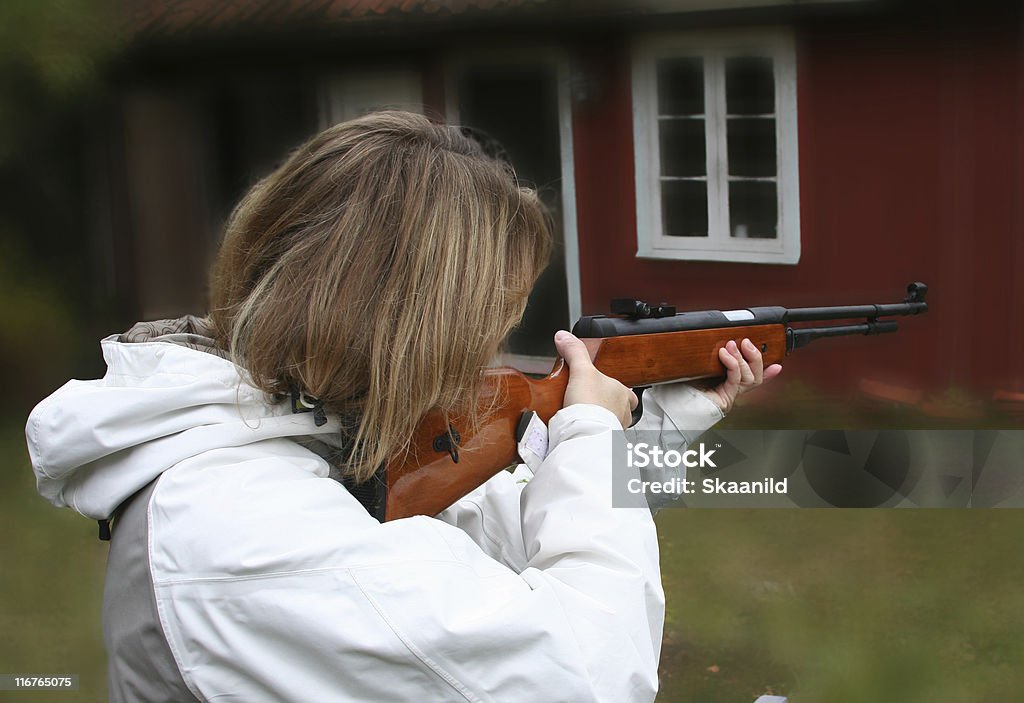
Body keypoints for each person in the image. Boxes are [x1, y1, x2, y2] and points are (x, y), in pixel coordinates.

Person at [25, 111, 779, 702]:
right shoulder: (240, 528)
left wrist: (658, 426)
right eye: (484, 323)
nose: (488, 353)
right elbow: (588, 673)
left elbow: (502, 540)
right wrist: (588, 432)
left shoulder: (294, 438)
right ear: (405, 324)